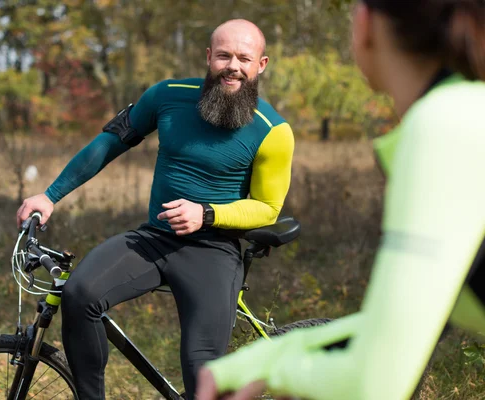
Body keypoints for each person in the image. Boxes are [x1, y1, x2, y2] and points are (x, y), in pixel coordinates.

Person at [196, 1, 485, 400]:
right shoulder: (464, 110)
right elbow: (408, 325)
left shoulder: (445, 126)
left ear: (365, 25)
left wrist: (270, 366)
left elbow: (375, 381)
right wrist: (278, 353)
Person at [16, 19, 295, 399]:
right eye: (224, 55)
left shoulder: (274, 131)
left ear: (260, 65)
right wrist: (49, 195)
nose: (233, 66)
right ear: (208, 57)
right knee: (79, 295)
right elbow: (108, 143)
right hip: (153, 239)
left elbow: (267, 207)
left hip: (213, 251)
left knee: (203, 377)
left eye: (244, 58)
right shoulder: (168, 96)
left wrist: (207, 213)